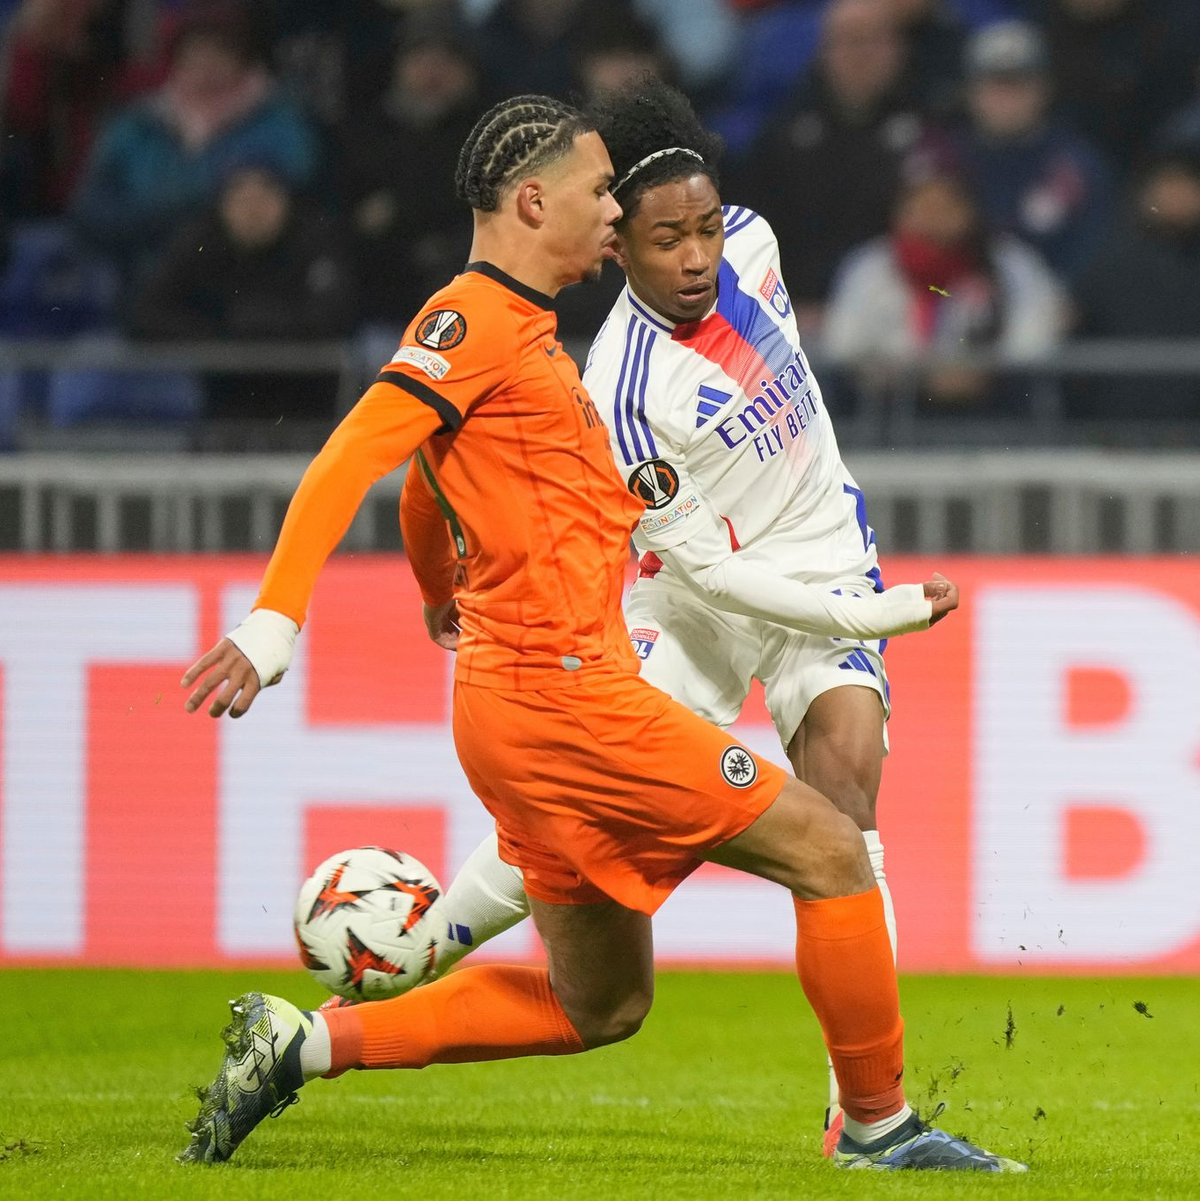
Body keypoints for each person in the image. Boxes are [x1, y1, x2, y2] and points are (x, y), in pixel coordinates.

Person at [178, 92, 1024, 1174]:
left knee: (602, 1004)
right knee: (829, 849)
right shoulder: (481, 324)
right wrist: (272, 620)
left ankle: (304, 1042)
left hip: (512, 708)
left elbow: (423, 486)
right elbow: (354, 454)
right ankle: (879, 1127)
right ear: (535, 201)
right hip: (570, 697)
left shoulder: (518, 333)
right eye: (599, 197)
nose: (614, 218)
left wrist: (439, 585)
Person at [128, 157, 356, 423]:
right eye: (241, 197)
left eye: (265, 195)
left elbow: (338, 316)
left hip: (309, 399)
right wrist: (218, 336)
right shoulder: (201, 243)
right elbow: (144, 313)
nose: (253, 209)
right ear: (222, 204)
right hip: (221, 400)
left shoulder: (315, 241)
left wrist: (265, 329)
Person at [822, 169, 1064, 409]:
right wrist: (916, 377)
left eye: (945, 206)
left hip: (991, 404)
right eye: (920, 206)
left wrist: (982, 371)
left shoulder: (1011, 263)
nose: (933, 217)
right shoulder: (870, 266)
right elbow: (842, 343)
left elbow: (1034, 339)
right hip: (892, 406)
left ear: (969, 211)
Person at [949, 19, 1113, 286]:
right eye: (995, 83)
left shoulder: (1076, 165)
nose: (1007, 98)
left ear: (1044, 88)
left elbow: (1095, 248)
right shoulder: (947, 161)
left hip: (1057, 310)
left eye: (1018, 84)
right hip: (956, 304)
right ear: (970, 91)